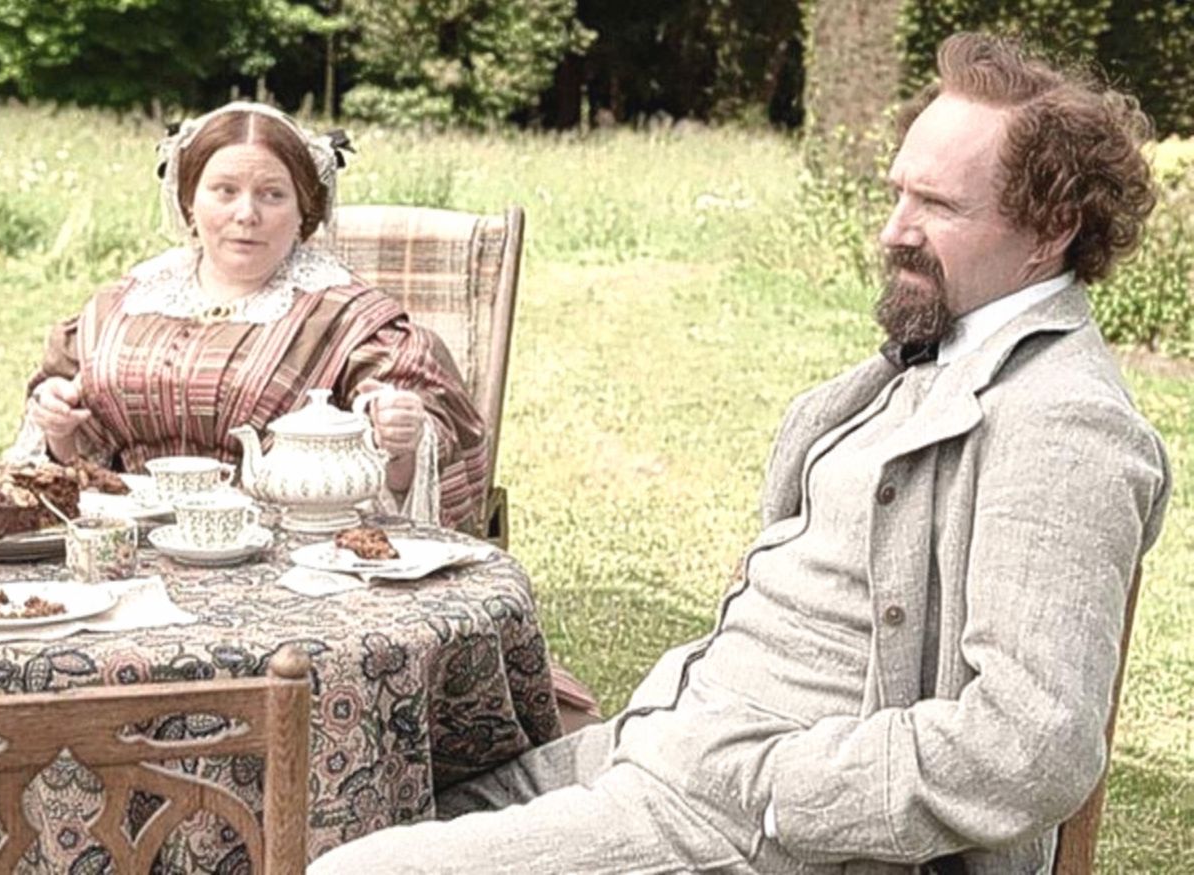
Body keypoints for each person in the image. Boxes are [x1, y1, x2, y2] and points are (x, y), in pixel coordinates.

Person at [308, 32, 1171, 875]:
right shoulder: (934, 353)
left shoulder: (1063, 424)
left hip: (751, 821)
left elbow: (1031, 746)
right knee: (328, 809)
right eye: (896, 193)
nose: (892, 231)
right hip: (658, 750)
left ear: (1051, 227)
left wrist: (770, 788)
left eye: (937, 206)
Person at [11, 101, 489, 530]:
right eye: (224, 190)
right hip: (130, 547)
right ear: (189, 202)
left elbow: (412, 470)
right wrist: (58, 426)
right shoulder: (126, 302)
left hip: (290, 556)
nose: (246, 214)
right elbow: (74, 461)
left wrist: (402, 439)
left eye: (272, 194)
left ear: (304, 212)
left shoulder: (350, 318)